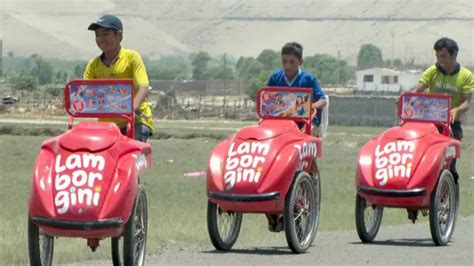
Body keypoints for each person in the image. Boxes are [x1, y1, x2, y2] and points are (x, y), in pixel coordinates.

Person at [83, 14, 154, 142]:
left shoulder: (132, 58)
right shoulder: (93, 65)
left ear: (119, 36)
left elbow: (143, 88)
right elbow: (86, 92)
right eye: (97, 35)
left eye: (105, 34)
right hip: (107, 124)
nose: (100, 39)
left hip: (135, 120)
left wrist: (130, 108)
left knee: (131, 154)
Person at [412, 37, 473, 181]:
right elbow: (417, 91)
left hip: (451, 125)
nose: (440, 60)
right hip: (428, 124)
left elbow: (467, 103)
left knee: (449, 164)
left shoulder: (466, 76)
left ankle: (450, 190)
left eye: (444, 56)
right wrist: (406, 99)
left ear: (454, 55)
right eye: (438, 56)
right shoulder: (432, 71)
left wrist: (456, 110)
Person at [267, 42, 327, 136]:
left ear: (300, 62)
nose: (287, 66)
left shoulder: (308, 79)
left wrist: (312, 106)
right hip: (280, 120)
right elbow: (266, 98)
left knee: (302, 135)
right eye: (284, 61)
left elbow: (323, 100)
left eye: (292, 62)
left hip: (305, 121)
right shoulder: (275, 78)